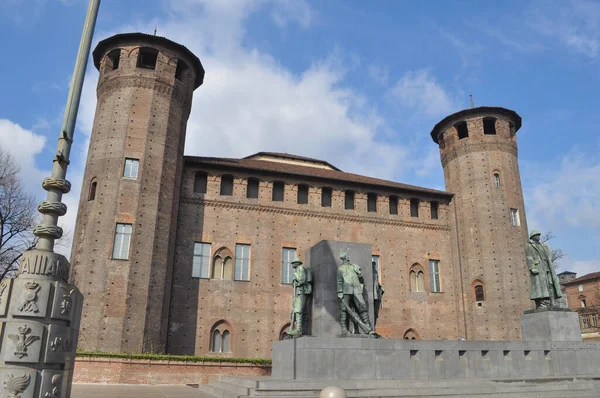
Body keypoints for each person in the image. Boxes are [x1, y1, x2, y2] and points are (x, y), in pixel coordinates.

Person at [337, 252, 374, 335]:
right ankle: (344, 328)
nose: (348, 257)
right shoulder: (340, 268)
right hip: (346, 290)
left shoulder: (354, 266)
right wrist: (339, 291)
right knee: (344, 309)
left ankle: (368, 327)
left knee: (362, 306)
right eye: (346, 256)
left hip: (357, 289)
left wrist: (360, 275)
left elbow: (361, 280)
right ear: (345, 258)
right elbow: (339, 281)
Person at [525, 230, 562, 309]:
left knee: (550, 284)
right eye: (537, 235)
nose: (538, 236)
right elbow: (529, 257)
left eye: (539, 235)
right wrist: (532, 267)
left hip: (546, 267)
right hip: (538, 267)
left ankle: (552, 302)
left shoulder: (543, 246)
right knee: (538, 286)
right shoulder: (530, 245)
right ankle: (539, 304)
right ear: (533, 236)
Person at [287, 256, 310, 337]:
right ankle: (297, 329)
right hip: (297, 293)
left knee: (298, 310)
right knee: (295, 311)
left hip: (301, 292)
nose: (292, 264)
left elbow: (302, 280)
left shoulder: (300, 269)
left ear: (297, 263)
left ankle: (299, 330)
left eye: (293, 263)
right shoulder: (297, 270)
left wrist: (295, 275)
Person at [372, 261, 384, 329]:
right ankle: (373, 327)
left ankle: (374, 326)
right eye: (373, 266)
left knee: (376, 313)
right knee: (374, 312)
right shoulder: (371, 274)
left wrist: (381, 287)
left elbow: (377, 282)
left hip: (377, 295)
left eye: (374, 266)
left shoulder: (375, 273)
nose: (374, 267)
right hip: (374, 295)